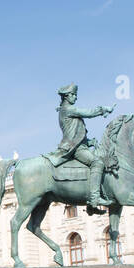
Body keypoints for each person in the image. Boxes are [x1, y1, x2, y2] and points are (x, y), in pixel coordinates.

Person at [47, 83, 115, 213]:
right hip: (75, 148)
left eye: (75, 95)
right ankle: (95, 198)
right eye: (73, 95)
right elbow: (88, 113)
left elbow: (73, 132)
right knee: (97, 162)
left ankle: (90, 206)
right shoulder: (68, 109)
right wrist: (103, 109)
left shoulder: (66, 110)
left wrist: (88, 142)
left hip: (79, 145)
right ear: (66, 96)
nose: (75, 98)